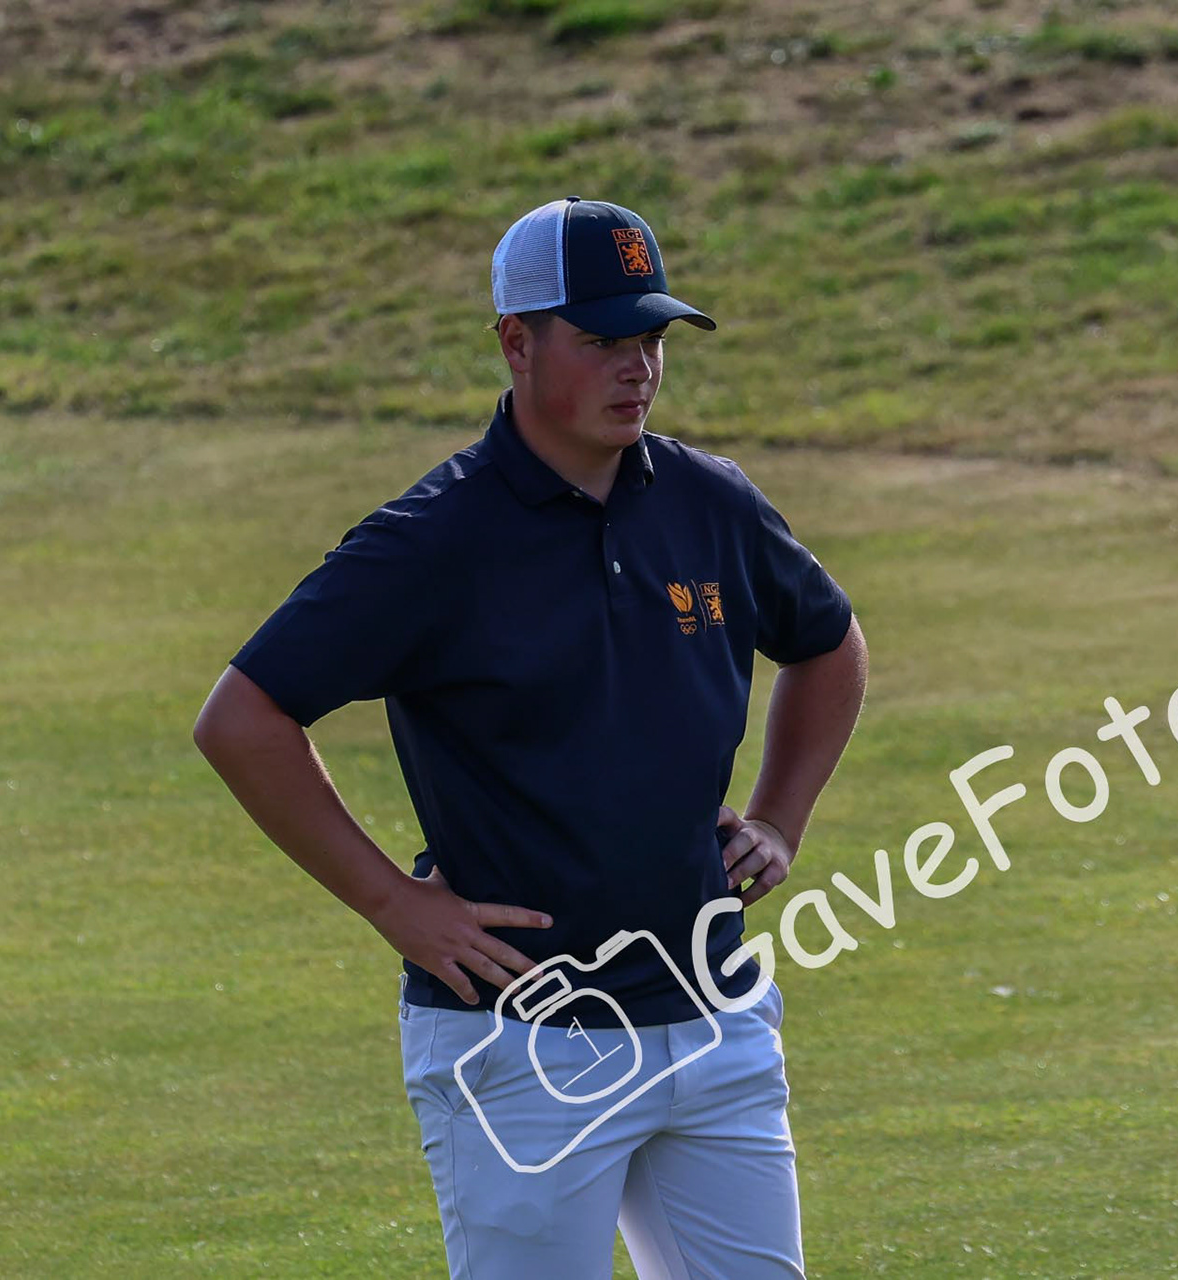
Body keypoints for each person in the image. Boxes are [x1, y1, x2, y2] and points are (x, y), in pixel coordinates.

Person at [192, 196, 868, 1278]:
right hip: (521, 1046)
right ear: (516, 342)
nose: (637, 366)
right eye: (601, 339)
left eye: (652, 337)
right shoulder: (434, 540)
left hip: (715, 1018)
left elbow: (829, 647)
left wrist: (780, 818)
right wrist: (393, 902)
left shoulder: (711, 504)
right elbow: (242, 718)